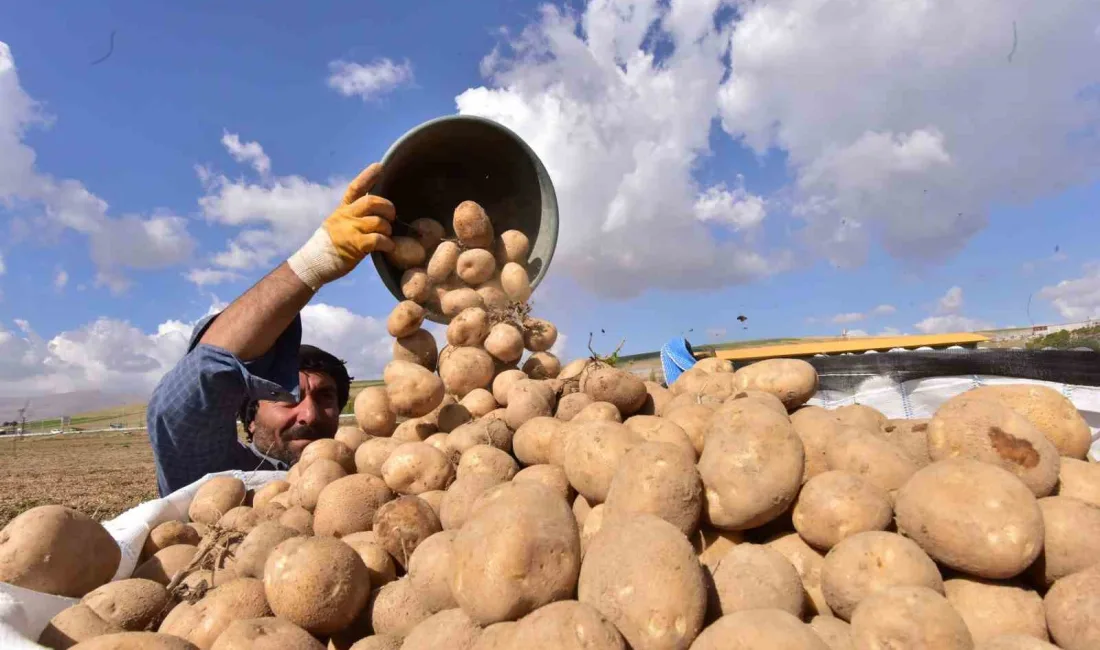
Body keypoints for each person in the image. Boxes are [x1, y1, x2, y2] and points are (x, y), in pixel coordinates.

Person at [147, 163, 396, 496]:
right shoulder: (222, 479)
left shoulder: (367, 478)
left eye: (325, 397)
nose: (309, 414)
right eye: (287, 398)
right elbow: (181, 407)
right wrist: (315, 262)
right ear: (250, 419)